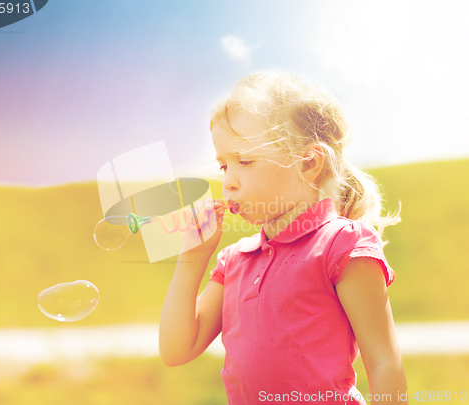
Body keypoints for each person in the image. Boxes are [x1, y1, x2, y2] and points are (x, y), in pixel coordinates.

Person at [159, 72, 408, 404]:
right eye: (223, 167)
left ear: (309, 163)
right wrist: (192, 258)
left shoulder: (342, 244)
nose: (229, 182)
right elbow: (177, 349)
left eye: (245, 161)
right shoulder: (236, 259)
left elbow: (383, 362)